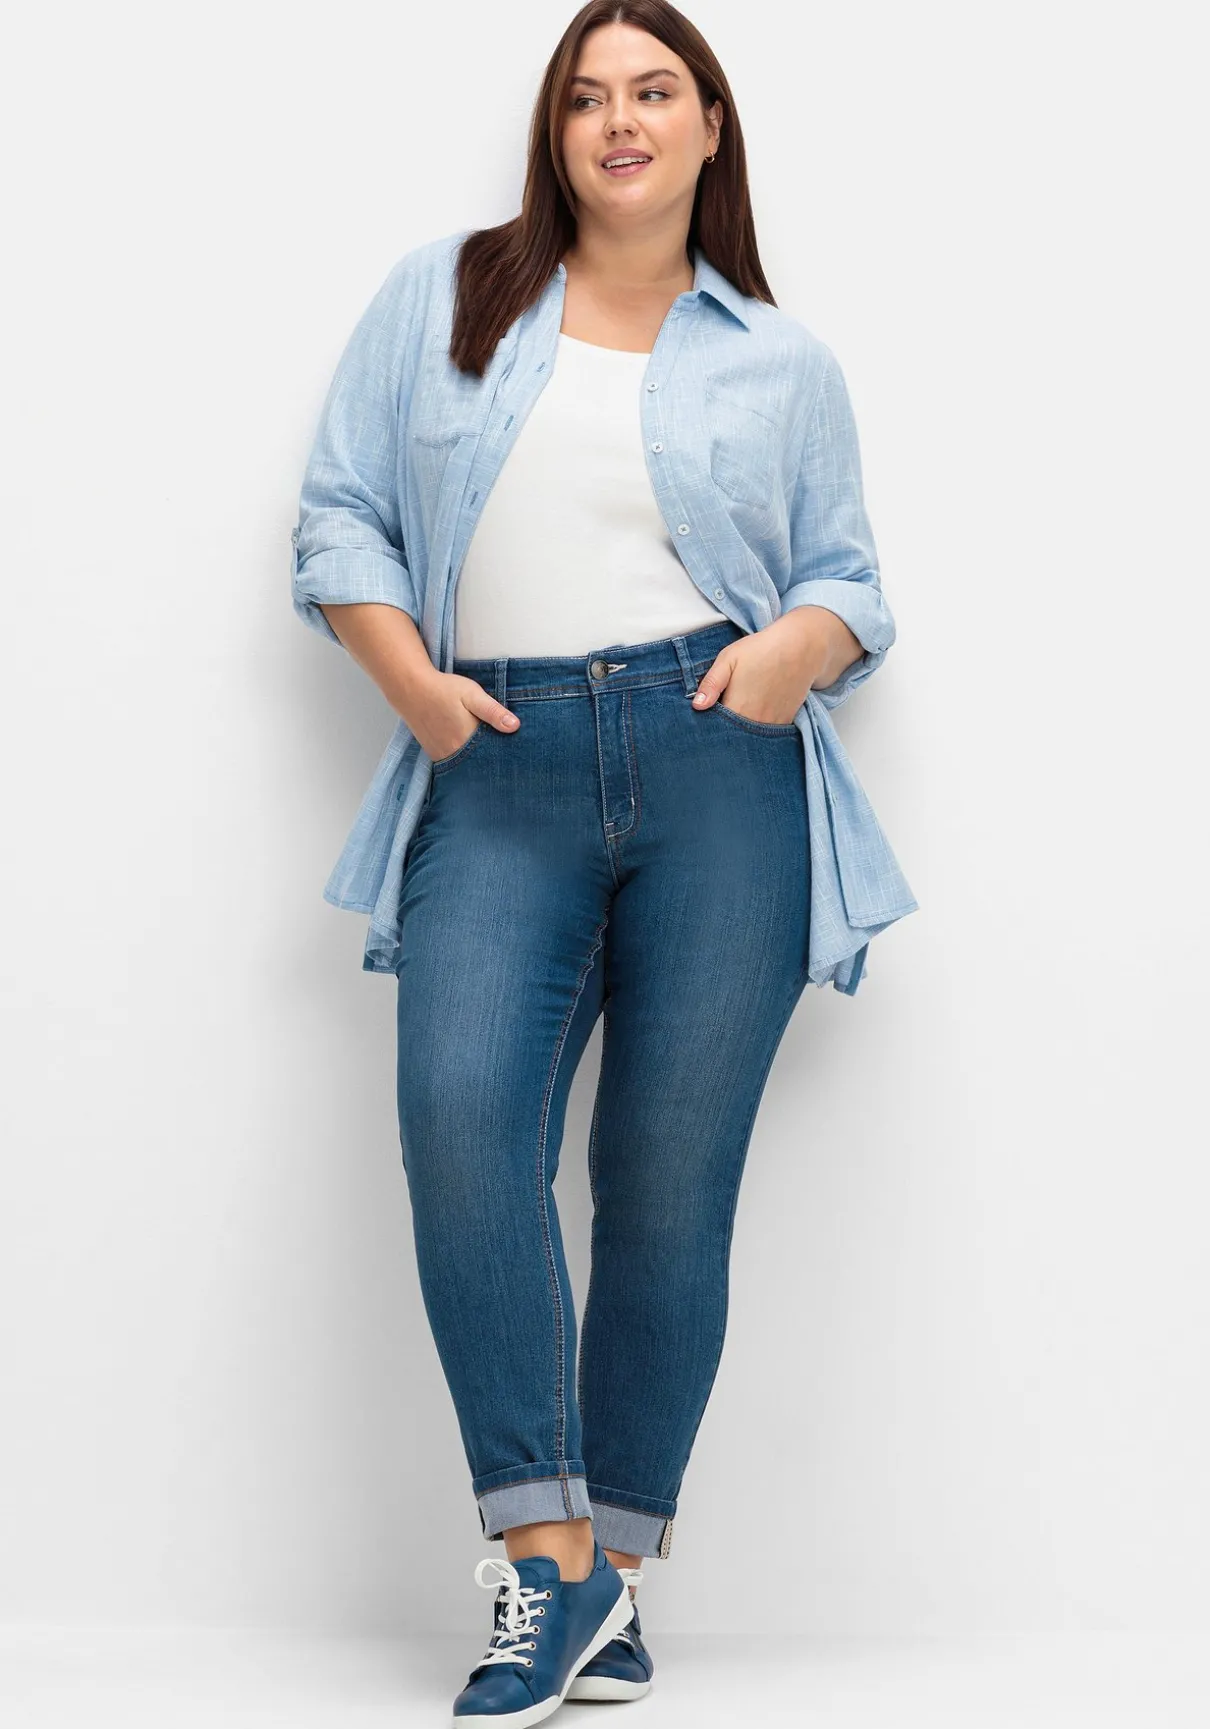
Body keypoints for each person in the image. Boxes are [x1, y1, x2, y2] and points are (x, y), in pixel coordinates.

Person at [290, 4, 918, 1721]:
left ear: (709, 125)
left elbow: (852, 583)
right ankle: (546, 1562)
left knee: (661, 1187)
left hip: (720, 768)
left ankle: (615, 1586)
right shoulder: (445, 296)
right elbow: (339, 516)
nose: (617, 121)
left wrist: (793, 649)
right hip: (494, 761)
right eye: (586, 97)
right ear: (554, 132)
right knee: (460, 1125)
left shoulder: (777, 359)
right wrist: (414, 687)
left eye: (652, 92)